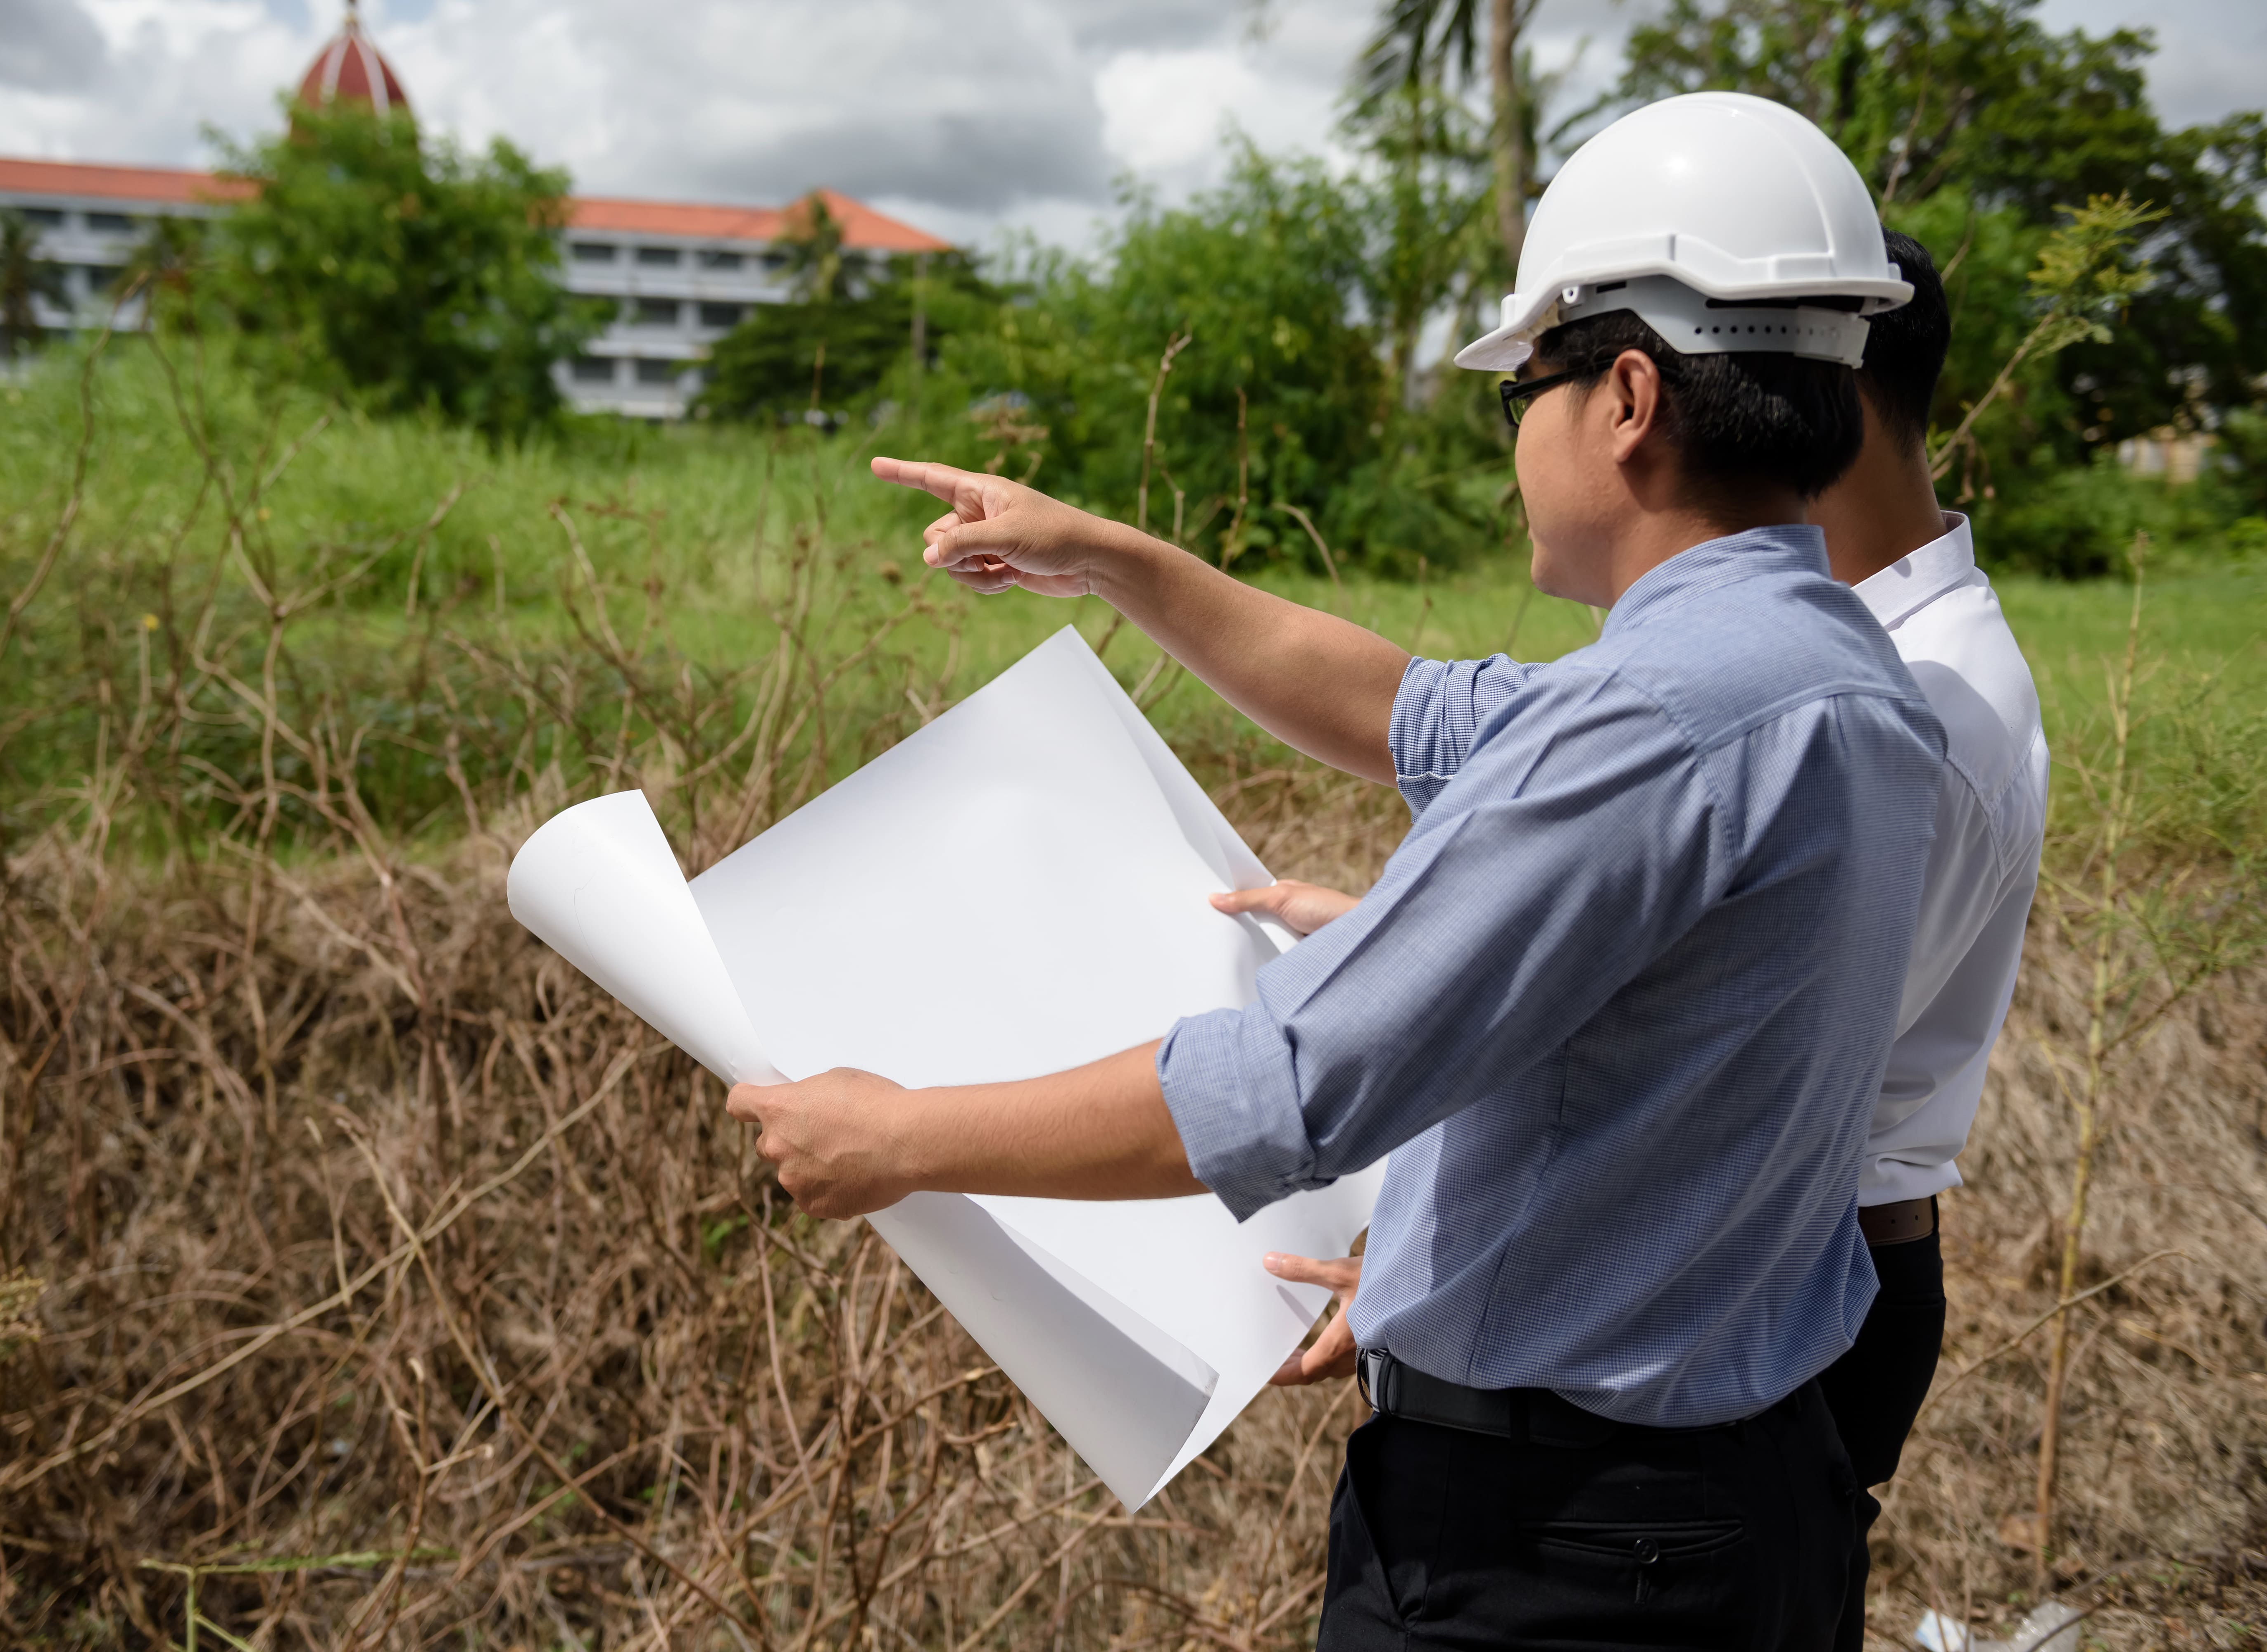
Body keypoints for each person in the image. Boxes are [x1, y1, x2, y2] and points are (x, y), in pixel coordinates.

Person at [727, 92, 1944, 1647]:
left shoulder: (1656, 723)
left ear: (1627, 396)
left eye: (1527, 387)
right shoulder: (1828, 670)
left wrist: (899, 1136)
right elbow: (1412, 713)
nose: (1518, 432)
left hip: (1561, 1564)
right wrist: (1109, 556)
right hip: (1737, 1508)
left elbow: (1291, 1089)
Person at [1245, 230, 2051, 1650]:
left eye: (1527, 395)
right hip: (1732, 1284)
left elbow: (1735, 1051)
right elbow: (1453, 736)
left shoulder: (1908, 696)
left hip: (1731, 1293)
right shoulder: (1814, 647)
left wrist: (1434, 977)